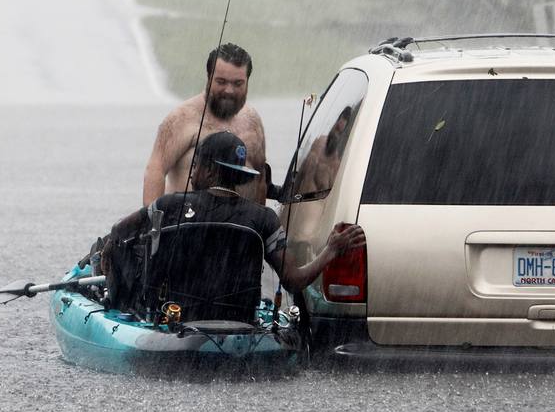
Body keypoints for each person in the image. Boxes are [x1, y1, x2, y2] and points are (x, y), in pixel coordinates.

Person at [106, 131, 365, 322]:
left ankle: (120, 309)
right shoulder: (263, 219)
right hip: (238, 321)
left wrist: (124, 288)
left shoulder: (169, 206)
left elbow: (119, 234)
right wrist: (331, 250)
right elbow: (294, 281)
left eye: (195, 166)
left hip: (177, 320)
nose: (192, 173)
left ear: (208, 171)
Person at [143, 43, 268, 204]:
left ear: (247, 81)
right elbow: (155, 171)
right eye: (221, 82)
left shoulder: (252, 121)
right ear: (208, 78)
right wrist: (153, 223)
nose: (229, 90)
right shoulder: (182, 117)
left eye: (237, 83)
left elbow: (260, 177)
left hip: (241, 226)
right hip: (187, 224)